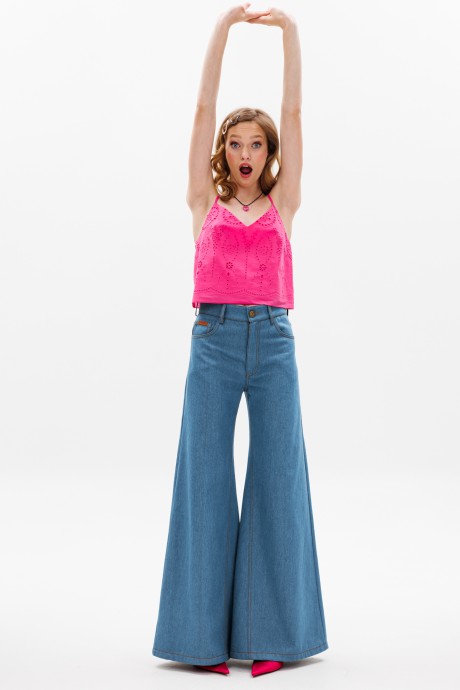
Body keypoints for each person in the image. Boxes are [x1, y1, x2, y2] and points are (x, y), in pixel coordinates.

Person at [152, 3, 328, 677]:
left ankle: (274, 636)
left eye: (257, 144)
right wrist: (221, 31)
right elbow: (202, 110)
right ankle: (199, 641)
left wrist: (292, 34)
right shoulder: (204, 202)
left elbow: (296, 112)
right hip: (214, 340)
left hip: (275, 343)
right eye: (236, 144)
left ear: (269, 153)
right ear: (223, 151)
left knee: (279, 479)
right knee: (204, 478)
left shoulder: (285, 204)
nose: (246, 154)